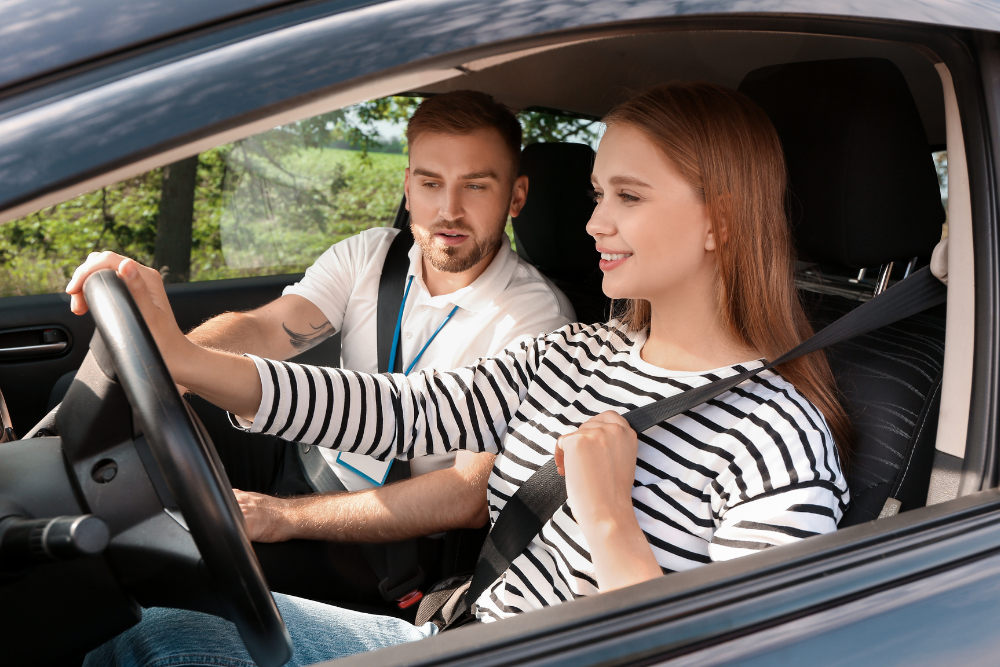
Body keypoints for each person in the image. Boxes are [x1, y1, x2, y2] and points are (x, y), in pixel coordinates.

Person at [78, 81, 851, 666]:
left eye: (628, 196)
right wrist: (187, 359)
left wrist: (609, 517)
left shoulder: (776, 438)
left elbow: (735, 654)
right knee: (147, 634)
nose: (593, 223)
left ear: (719, 219)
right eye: (596, 194)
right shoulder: (578, 352)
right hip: (462, 634)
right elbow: (402, 411)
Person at [67, 90, 576, 609]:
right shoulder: (372, 255)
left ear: (516, 196)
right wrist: (164, 368)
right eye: (430, 183)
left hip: (389, 541)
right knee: (94, 409)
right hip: (310, 458)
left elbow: (467, 494)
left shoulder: (538, 322)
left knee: (187, 575)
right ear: (407, 186)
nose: (449, 210)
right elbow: (266, 330)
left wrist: (282, 517)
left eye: (475, 186)